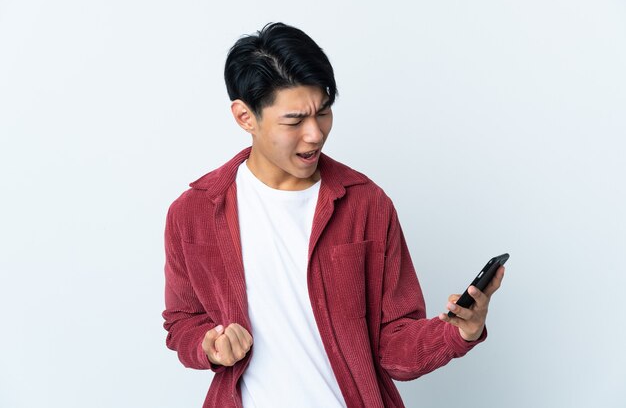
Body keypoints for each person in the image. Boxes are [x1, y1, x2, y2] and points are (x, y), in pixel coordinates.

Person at [162, 22, 505, 408]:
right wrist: (209, 345)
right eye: (294, 121)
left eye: (323, 112)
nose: (315, 133)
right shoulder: (192, 213)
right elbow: (182, 321)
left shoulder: (367, 204)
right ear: (245, 117)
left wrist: (459, 333)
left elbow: (393, 348)